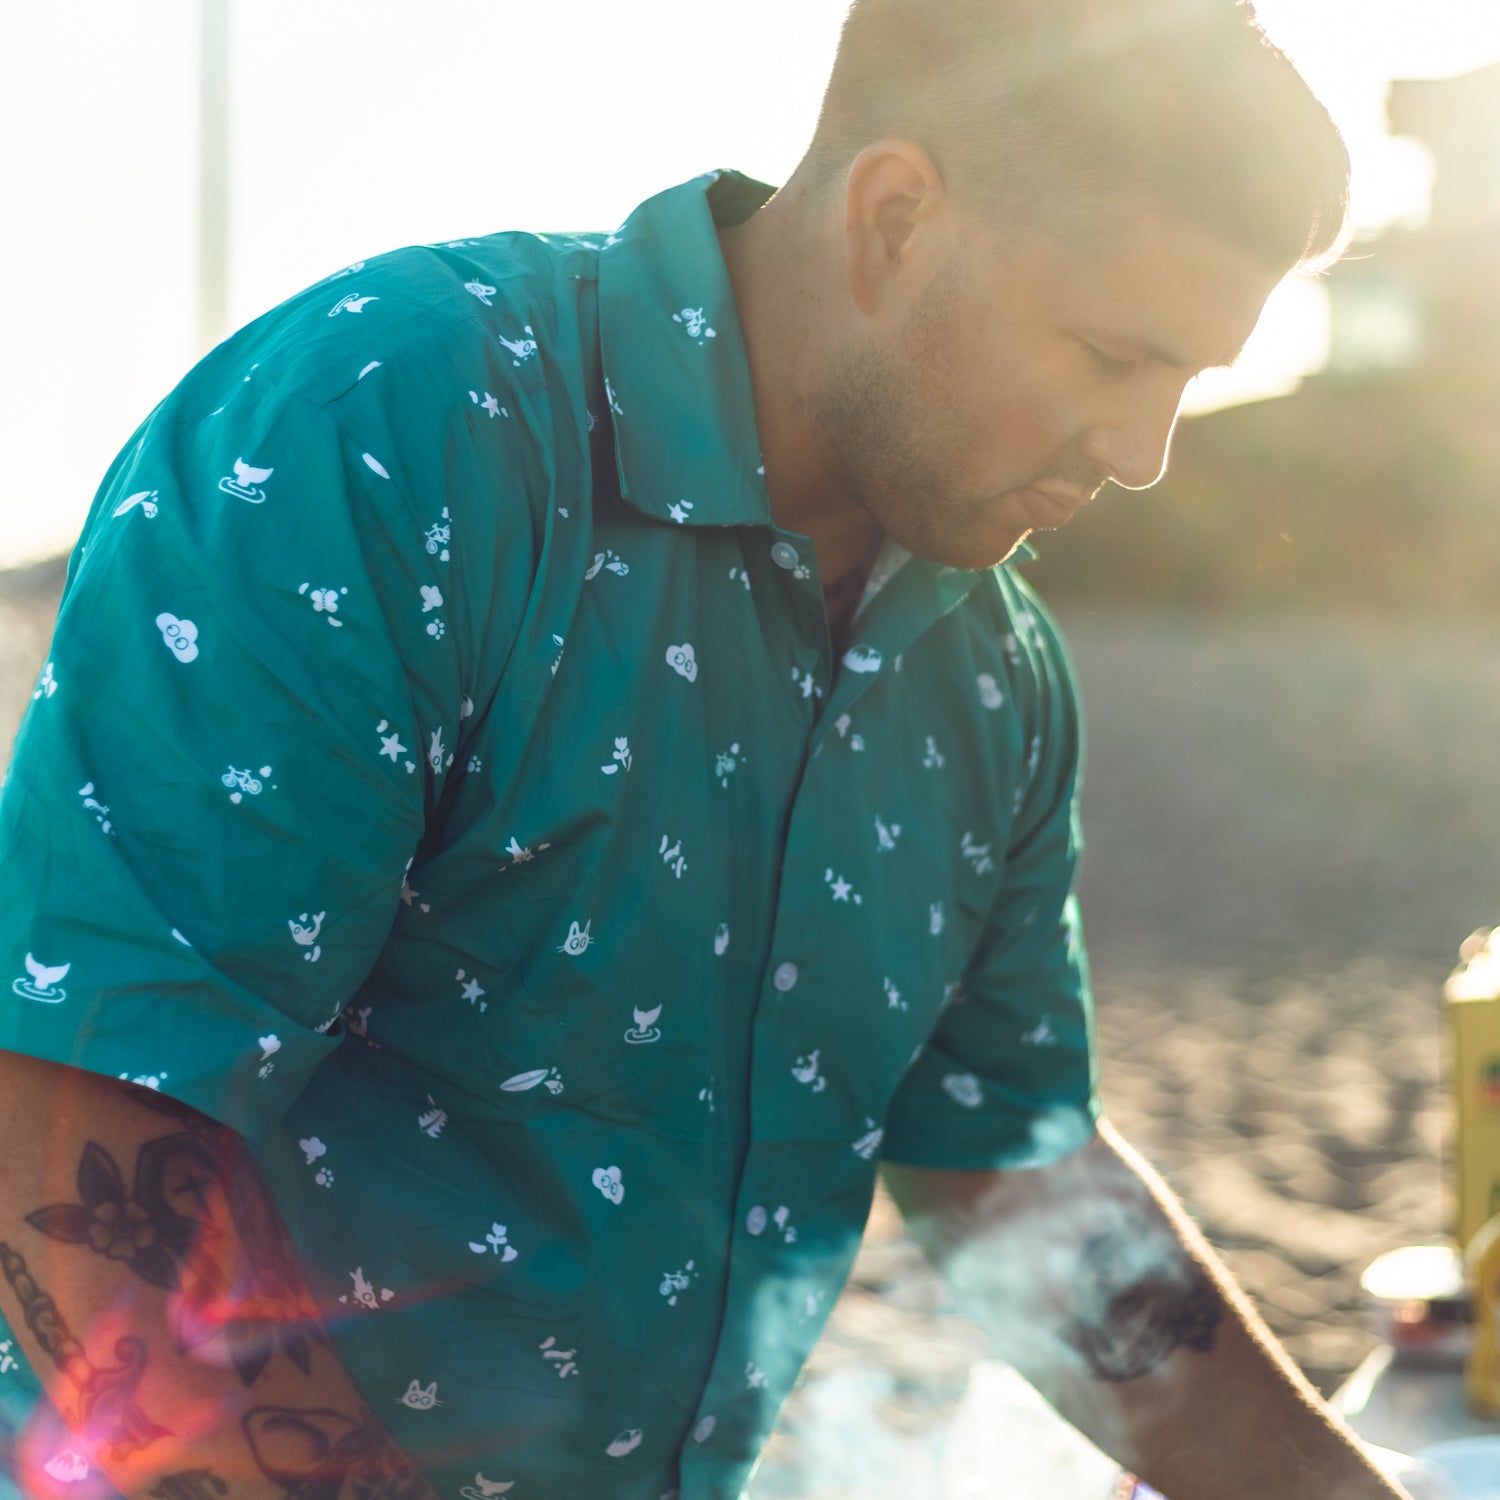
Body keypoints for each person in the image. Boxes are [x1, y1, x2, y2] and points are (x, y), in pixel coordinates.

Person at [0, 1, 1412, 1497]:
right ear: (896, 219)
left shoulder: (992, 679)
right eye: (1112, 353)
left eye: (1188, 380)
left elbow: (1015, 1184)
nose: (1146, 452)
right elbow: (73, 1106)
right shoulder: (394, 427)